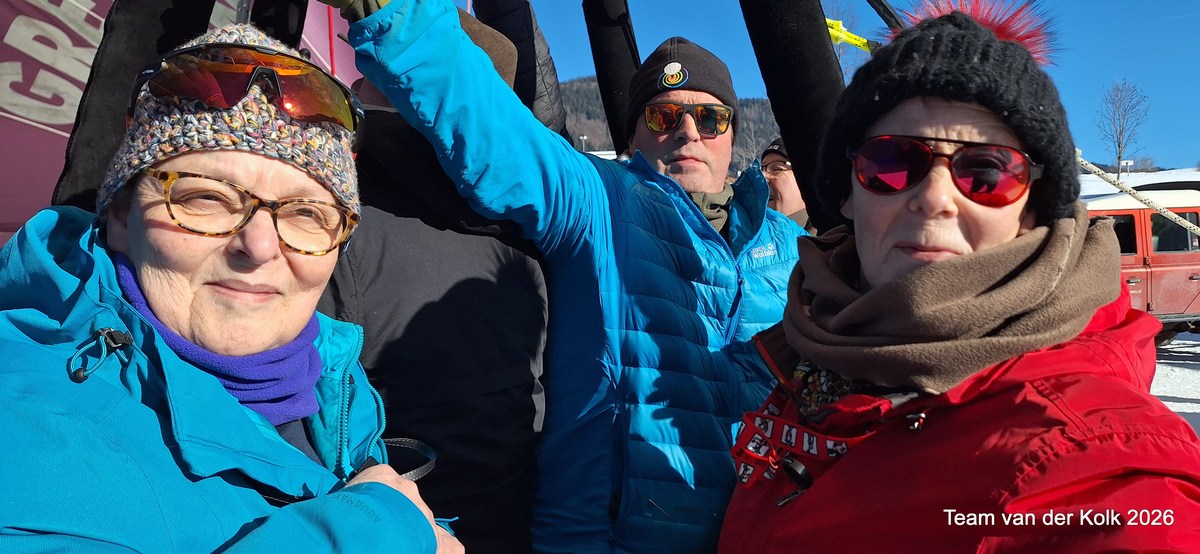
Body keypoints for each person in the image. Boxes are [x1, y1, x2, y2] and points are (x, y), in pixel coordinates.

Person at [718, 2, 1200, 552]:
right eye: (892, 162)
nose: (934, 199)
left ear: (1035, 209)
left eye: (987, 171)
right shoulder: (809, 360)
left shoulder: (1090, 456)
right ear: (847, 193)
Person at [328, 0, 807, 550]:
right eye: (662, 117)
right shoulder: (602, 200)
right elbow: (494, 130)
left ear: (732, 134)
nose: (688, 133)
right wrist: (397, 13)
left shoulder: (793, 247)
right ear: (633, 137)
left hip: (757, 532)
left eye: (710, 118)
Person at [0, 24, 460, 553]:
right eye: (207, 198)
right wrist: (377, 534)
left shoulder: (331, 385)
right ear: (122, 217)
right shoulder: (26, 426)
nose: (260, 246)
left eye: (307, 213)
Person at [318, 11, 547, 553]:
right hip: (516, 527)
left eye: (370, 70)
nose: (353, 82)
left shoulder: (332, 223)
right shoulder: (535, 237)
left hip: (395, 532)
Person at [760, 137, 813, 231]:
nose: (764, 178)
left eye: (776, 169)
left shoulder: (830, 236)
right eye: (761, 170)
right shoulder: (746, 234)